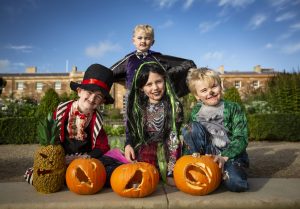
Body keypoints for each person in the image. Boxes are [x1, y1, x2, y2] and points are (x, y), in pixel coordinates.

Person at [24, 63, 123, 186]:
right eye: (90, 92)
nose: (92, 99)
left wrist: (86, 157)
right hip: (61, 157)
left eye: (98, 96)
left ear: (102, 101)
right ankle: (67, 178)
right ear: (79, 91)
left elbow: (102, 146)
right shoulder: (62, 111)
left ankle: (75, 178)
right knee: (43, 173)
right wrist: (60, 157)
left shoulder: (96, 119)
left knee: (111, 169)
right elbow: (52, 139)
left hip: (86, 159)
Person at [182, 67, 249, 192]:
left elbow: (241, 138)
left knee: (237, 184)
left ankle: (227, 172)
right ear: (197, 96)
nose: (210, 92)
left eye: (214, 86)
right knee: (190, 127)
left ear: (220, 86)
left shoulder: (234, 108)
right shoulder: (196, 111)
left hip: (229, 155)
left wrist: (224, 157)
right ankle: (200, 166)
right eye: (204, 90)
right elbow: (192, 136)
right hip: (207, 154)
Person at [124, 61, 184, 185]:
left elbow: (174, 137)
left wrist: (171, 170)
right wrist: (128, 144)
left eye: (158, 82)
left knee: (175, 143)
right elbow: (131, 131)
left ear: (165, 81)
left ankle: (170, 172)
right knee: (144, 174)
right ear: (141, 88)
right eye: (148, 84)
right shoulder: (138, 107)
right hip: (146, 147)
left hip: (168, 147)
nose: (155, 88)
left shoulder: (174, 106)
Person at [111, 24, 196, 98]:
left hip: (153, 96)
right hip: (133, 97)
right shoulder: (128, 59)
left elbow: (186, 64)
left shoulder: (158, 58)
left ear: (152, 42)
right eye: (140, 38)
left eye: (147, 38)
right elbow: (110, 72)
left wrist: (166, 76)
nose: (143, 41)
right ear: (134, 41)